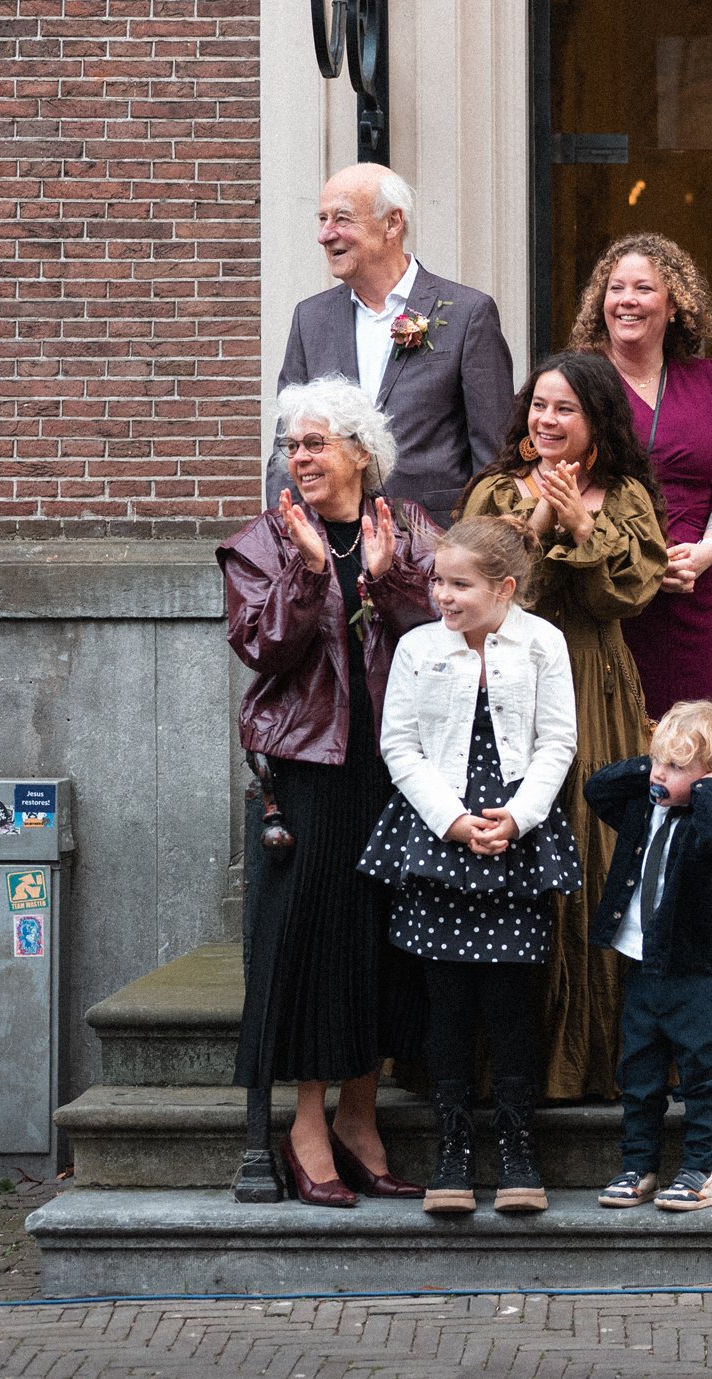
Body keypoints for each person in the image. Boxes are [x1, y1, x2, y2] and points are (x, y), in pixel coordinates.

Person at [219, 377, 441, 1206]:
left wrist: (385, 581)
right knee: (310, 940)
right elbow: (264, 648)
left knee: (384, 938)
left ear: (360, 452)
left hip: (396, 764)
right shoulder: (264, 543)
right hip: (310, 771)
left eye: (314, 443)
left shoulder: (410, 529)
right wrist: (314, 577)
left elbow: (449, 628)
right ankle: (305, 1127)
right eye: (291, 445)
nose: (299, 458)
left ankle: (359, 1116)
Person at [459, 352, 671, 1101]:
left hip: (593, 689)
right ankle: (503, 1060)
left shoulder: (629, 496)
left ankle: (590, 1059)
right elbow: (486, 592)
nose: (548, 421)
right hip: (507, 690)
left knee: (596, 855)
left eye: (566, 409)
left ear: (597, 422)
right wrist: (545, 516)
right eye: (540, 406)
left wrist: (588, 522)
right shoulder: (493, 490)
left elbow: (632, 596)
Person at [359, 517, 580, 1218]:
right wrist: (451, 819)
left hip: (516, 839)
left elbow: (557, 740)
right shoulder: (419, 647)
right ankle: (450, 1148)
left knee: (511, 1005)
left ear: (505, 588)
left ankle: (518, 1148)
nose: (442, 596)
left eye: (459, 584)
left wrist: (517, 817)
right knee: (446, 1004)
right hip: (437, 839)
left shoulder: (543, 642)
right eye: (437, 580)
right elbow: (399, 744)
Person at [587, 702, 712, 1214]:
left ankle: (702, 1170)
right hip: (644, 966)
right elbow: (598, 788)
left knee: (699, 1073)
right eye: (659, 761)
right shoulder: (645, 807)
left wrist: (708, 787)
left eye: (677, 766)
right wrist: (655, 763)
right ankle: (638, 1165)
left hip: (696, 973)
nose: (661, 773)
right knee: (638, 1075)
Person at [266, 164, 515, 521]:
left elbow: (494, 456)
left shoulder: (467, 313)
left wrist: (478, 549)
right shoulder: (311, 319)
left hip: (434, 542)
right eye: (322, 219)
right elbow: (286, 445)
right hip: (331, 545)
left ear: (392, 223)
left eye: (342, 219)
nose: (324, 234)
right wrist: (283, 531)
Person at [570, 234, 712, 719]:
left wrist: (711, 551)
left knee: (704, 740)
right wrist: (636, 559)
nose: (627, 300)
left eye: (644, 288)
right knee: (621, 743)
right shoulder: (577, 380)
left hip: (697, 588)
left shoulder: (708, 380)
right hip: (612, 588)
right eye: (616, 288)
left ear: (674, 305)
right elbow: (553, 476)